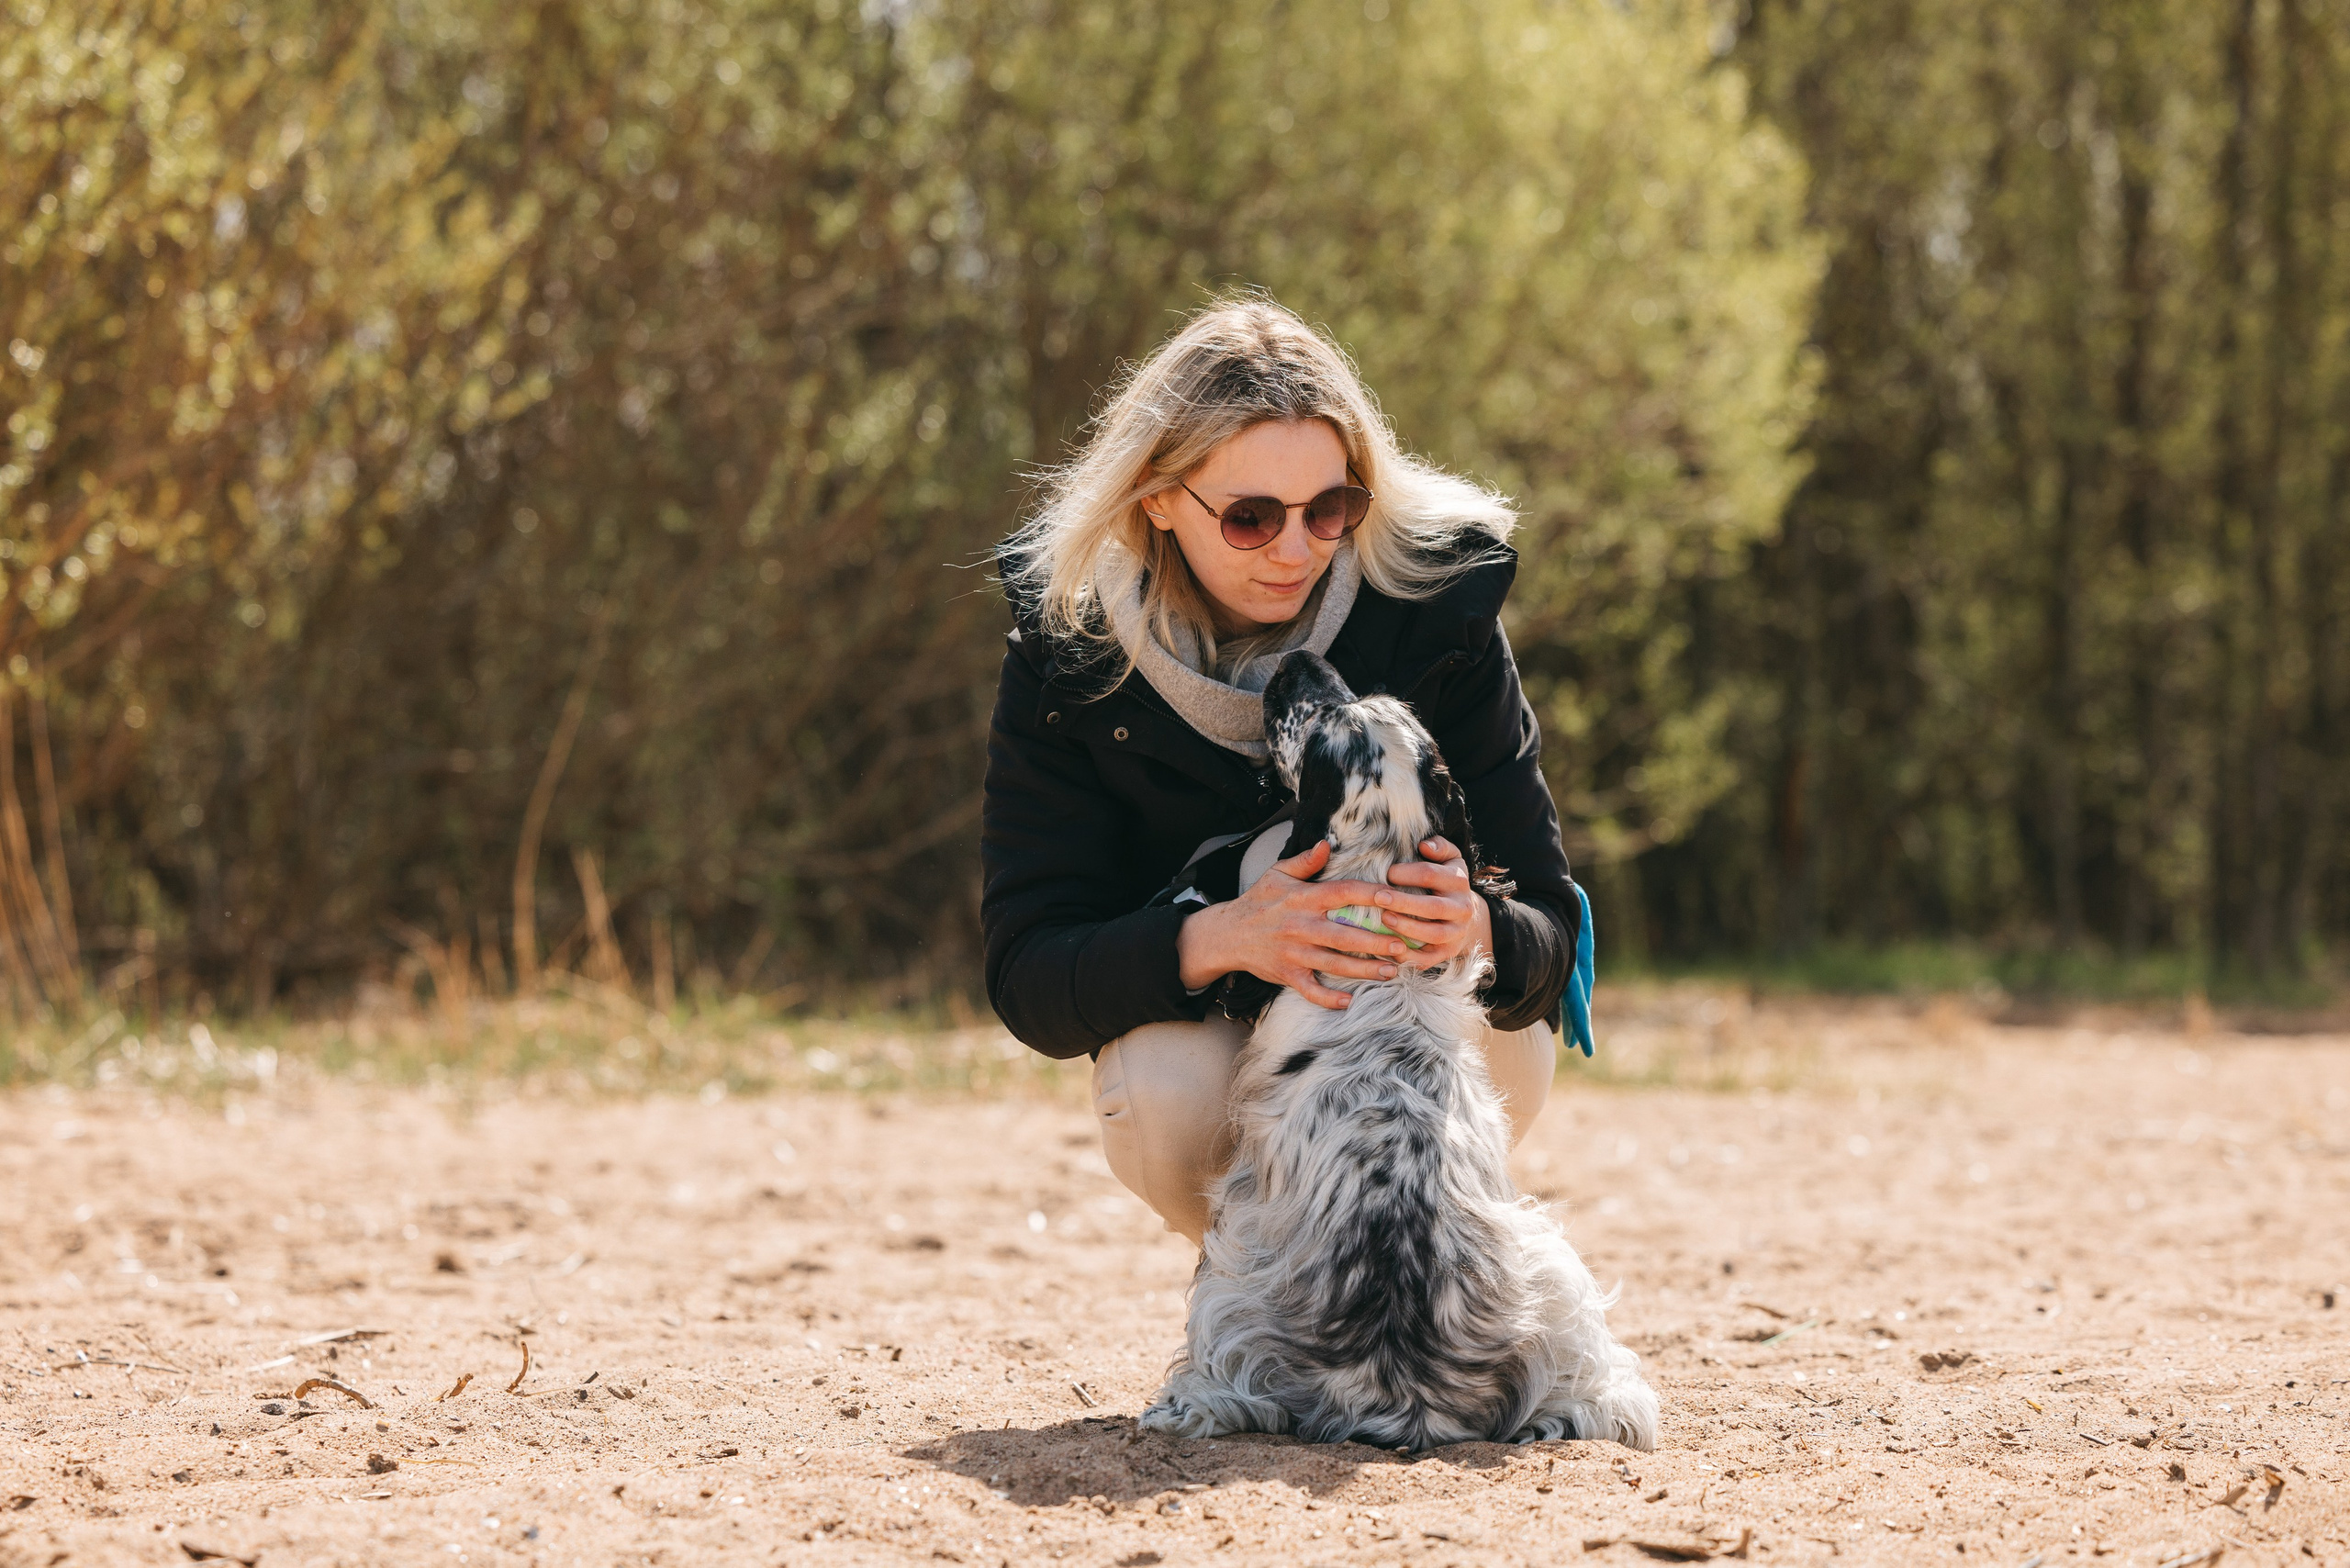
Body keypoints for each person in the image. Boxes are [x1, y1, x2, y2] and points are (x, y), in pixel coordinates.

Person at [982, 297, 1583, 1246]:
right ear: (1157, 498)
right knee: (1163, 1098)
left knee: (1504, 1043)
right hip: (1209, 1033)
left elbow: (1551, 923)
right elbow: (1030, 973)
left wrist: (1478, 925)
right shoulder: (1070, 651)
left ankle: (1405, 1273)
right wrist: (1224, 937)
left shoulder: (1438, 609)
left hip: (1411, 1010)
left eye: (1331, 508)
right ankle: (1272, 1287)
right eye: (1251, 517)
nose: (1297, 550)